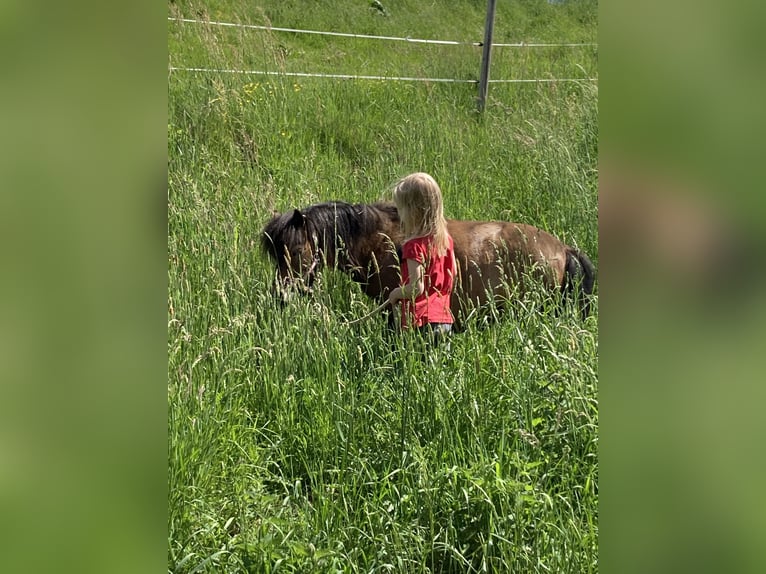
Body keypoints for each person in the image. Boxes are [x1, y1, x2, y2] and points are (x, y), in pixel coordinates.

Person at [387, 172, 456, 345]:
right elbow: (452, 274)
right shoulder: (446, 241)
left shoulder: (413, 246)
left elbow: (416, 287)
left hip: (421, 322)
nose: (399, 215)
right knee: (438, 369)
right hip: (444, 319)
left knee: (414, 368)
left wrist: (395, 294)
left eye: (401, 209)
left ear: (413, 211)